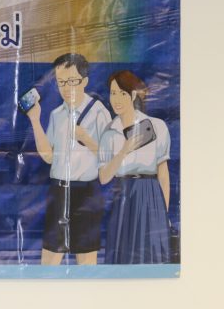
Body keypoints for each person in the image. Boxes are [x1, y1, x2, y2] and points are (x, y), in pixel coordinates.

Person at [25, 52, 112, 265]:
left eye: (72, 81)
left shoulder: (99, 112)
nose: (66, 88)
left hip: (86, 192)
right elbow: (49, 157)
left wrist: (87, 139)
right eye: (61, 82)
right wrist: (35, 120)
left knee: (86, 261)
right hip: (59, 191)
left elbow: (110, 157)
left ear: (85, 81)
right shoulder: (57, 114)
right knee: (49, 261)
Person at [98, 70, 172, 263]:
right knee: (122, 254)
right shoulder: (109, 133)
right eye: (113, 93)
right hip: (122, 196)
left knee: (151, 255)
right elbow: (104, 177)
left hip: (150, 195)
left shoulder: (156, 126)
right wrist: (124, 150)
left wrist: (163, 213)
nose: (116, 99)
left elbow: (163, 174)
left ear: (132, 96)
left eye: (122, 93)